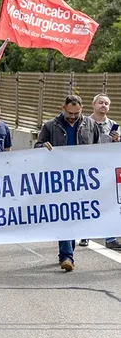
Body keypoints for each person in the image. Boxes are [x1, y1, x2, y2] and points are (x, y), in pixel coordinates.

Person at [35, 95, 100, 271]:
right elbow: (37, 146)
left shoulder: (90, 125)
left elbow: (98, 149)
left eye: (76, 113)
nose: (73, 116)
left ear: (82, 109)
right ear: (62, 107)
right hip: (59, 179)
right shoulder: (50, 126)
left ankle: (67, 250)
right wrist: (43, 147)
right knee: (64, 215)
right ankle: (67, 255)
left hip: (81, 179)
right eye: (69, 113)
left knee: (75, 217)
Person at [87, 94, 121, 249]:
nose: (103, 106)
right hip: (87, 168)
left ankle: (110, 237)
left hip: (107, 170)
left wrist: (117, 140)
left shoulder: (114, 125)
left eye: (106, 103)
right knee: (87, 202)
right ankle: (85, 234)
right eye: (101, 102)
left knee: (109, 202)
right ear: (93, 104)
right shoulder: (84, 123)